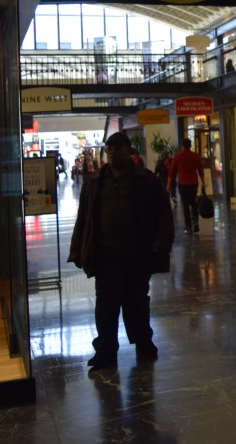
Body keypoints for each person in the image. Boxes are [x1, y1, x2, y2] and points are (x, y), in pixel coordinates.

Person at [67, 131, 174, 371]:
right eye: (110, 148)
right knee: (106, 304)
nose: (113, 152)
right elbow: (83, 219)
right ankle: (105, 350)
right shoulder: (95, 182)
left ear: (129, 151)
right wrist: (77, 249)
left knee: (136, 301)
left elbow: (163, 215)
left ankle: (143, 342)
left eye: (118, 148)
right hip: (106, 257)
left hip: (138, 254)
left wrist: (161, 244)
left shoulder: (146, 180)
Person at [169, 137, 205, 235]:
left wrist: (168, 185)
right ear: (190, 145)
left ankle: (188, 227)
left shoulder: (178, 156)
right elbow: (200, 171)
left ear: (182, 145)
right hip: (193, 183)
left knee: (185, 205)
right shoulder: (195, 156)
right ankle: (196, 223)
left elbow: (171, 171)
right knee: (193, 203)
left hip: (183, 183)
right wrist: (203, 183)